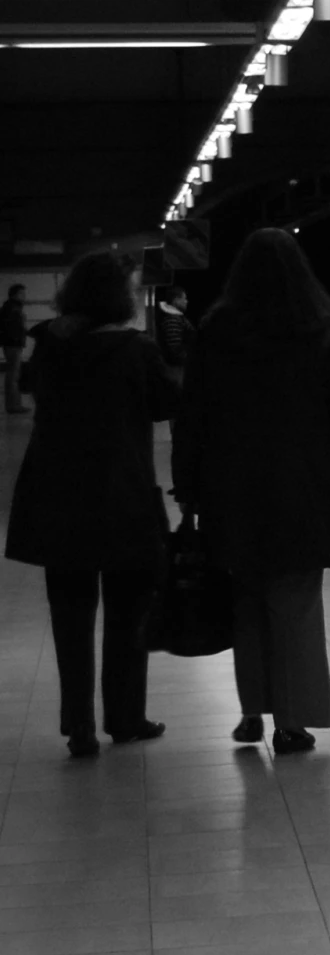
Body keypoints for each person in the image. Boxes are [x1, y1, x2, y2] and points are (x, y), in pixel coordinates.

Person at [173, 229, 330, 754]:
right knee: (296, 607)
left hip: (230, 492)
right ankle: (293, 721)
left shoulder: (216, 332)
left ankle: (250, 713)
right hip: (301, 491)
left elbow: (190, 417)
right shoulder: (318, 330)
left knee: (246, 604)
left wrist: (187, 488)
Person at [4, 253, 175, 756]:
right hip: (123, 494)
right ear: (119, 297)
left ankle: (78, 726)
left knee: (70, 616)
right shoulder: (135, 349)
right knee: (128, 613)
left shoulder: (50, 344)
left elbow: (28, 386)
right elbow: (167, 405)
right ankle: (124, 718)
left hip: (58, 497)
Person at [152, 284, 192, 385]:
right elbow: (174, 348)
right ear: (176, 300)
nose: (186, 301)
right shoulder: (172, 319)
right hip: (175, 369)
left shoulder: (175, 317)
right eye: (184, 298)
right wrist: (190, 358)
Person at [2, 284, 29, 413]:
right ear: (15, 294)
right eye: (22, 294)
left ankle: (13, 405)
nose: (24, 297)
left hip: (11, 344)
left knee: (12, 375)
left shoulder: (10, 307)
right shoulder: (13, 308)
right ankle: (14, 406)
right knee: (13, 376)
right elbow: (13, 328)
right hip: (13, 344)